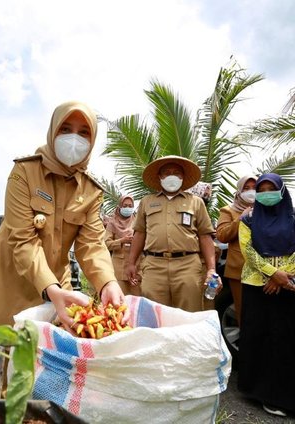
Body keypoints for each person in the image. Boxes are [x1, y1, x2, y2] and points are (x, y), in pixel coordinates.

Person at [0, 101, 125, 329]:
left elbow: (92, 244)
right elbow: (23, 239)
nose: (74, 139)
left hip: (58, 290)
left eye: (84, 133)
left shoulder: (90, 191)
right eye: (66, 129)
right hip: (6, 284)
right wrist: (50, 287)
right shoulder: (24, 172)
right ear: (53, 131)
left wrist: (107, 282)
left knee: (49, 358)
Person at [126, 155, 221, 312]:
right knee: (153, 315)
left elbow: (205, 236)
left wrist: (211, 269)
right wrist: (131, 263)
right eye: (166, 172)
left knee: (189, 315)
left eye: (176, 172)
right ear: (159, 177)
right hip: (154, 266)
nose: (172, 176)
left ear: (183, 177)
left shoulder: (195, 202)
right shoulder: (146, 202)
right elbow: (139, 234)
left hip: (188, 265)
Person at [237, 173, 295, 417]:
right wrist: (272, 273)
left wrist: (284, 275)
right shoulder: (248, 219)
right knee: (258, 336)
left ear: (282, 191)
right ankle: (259, 391)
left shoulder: (293, 219)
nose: (266, 193)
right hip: (255, 285)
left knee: (285, 338)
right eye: (263, 189)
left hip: (288, 285)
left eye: (272, 188)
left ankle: (285, 395)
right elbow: (247, 250)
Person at [216, 175, 257, 324]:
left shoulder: (267, 209)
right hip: (240, 270)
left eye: (254, 188)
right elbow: (222, 235)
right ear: (239, 191)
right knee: (244, 313)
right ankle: (247, 346)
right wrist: (241, 218)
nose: (251, 191)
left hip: (267, 270)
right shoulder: (228, 210)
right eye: (246, 188)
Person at [104, 195, 141, 296]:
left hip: (136, 267)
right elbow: (106, 244)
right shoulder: (112, 223)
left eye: (130, 206)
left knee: (136, 300)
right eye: (125, 206)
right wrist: (121, 241)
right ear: (120, 207)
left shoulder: (138, 221)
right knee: (120, 299)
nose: (128, 208)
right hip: (118, 269)